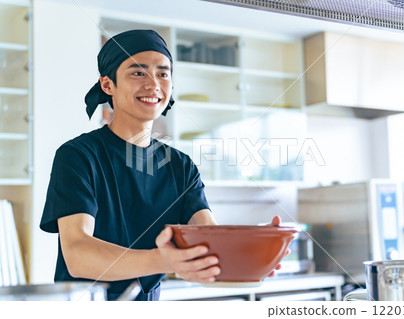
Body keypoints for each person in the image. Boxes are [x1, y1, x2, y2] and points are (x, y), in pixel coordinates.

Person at [40, 29, 283, 301]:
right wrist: (166, 261)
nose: (154, 84)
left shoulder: (180, 166)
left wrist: (260, 251)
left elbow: (210, 241)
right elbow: (78, 254)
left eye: (163, 73)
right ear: (108, 85)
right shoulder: (78, 156)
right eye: (138, 72)